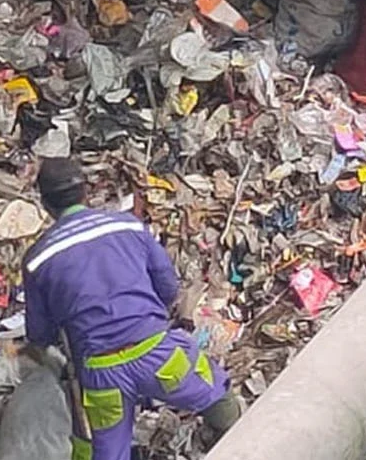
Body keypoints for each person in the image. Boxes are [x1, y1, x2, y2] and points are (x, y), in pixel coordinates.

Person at [22, 158, 242, 460]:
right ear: (86, 192)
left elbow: (40, 334)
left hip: (101, 375)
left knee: (109, 452)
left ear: (45, 204)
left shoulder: (37, 258)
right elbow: (168, 288)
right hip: (159, 354)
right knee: (216, 393)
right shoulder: (127, 224)